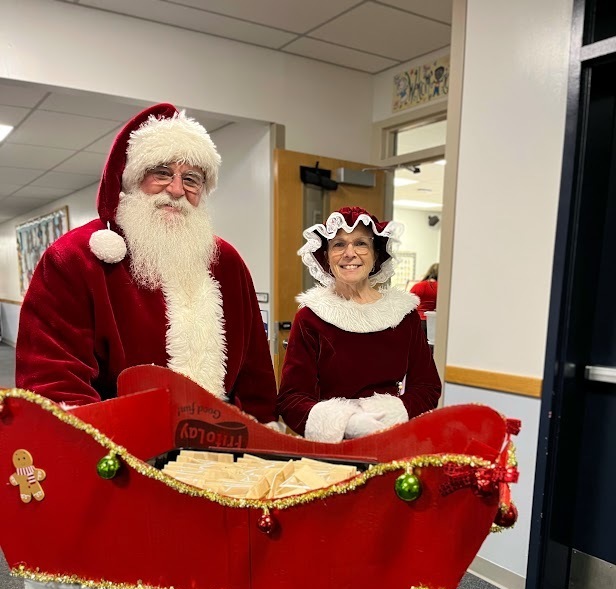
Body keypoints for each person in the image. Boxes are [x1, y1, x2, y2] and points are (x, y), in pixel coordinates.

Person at [15, 103, 278, 424]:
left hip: (219, 455)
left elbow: (256, 376)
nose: (177, 190)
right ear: (133, 178)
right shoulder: (75, 257)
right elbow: (54, 381)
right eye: (162, 173)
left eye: (192, 179)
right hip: (118, 452)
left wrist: (259, 447)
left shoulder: (226, 262)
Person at [276, 207, 441, 442]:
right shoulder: (311, 317)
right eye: (339, 244)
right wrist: (346, 423)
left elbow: (427, 387)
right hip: (331, 449)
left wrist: (389, 416)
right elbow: (291, 399)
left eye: (361, 243)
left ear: (376, 254)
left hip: (391, 439)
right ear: (326, 256)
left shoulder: (404, 315)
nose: (349, 253)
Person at [410, 263, 438, 336]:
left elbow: (409, 304)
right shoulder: (441, 287)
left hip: (417, 320)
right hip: (433, 322)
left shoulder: (417, 286)